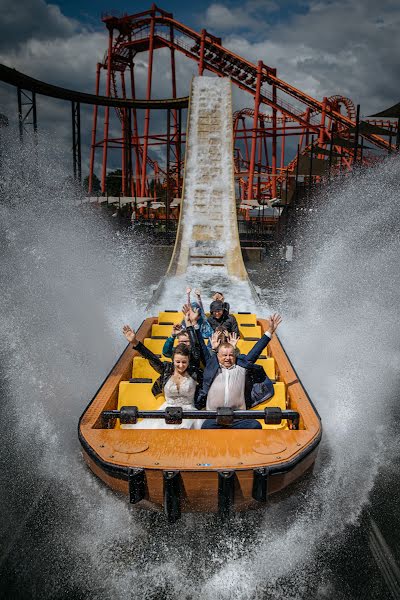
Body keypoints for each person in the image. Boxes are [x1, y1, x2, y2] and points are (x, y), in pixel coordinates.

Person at [188, 307, 282, 429]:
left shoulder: (241, 366)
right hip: (214, 418)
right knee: (205, 427)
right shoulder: (211, 365)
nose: (227, 358)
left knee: (255, 426)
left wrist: (270, 331)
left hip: (238, 417)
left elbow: (256, 350)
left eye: (230, 355)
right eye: (224, 355)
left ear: (235, 355)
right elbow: (200, 346)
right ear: (217, 355)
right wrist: (194, 324)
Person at [122, 324, 202, 429]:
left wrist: (190, 325)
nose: (181, 365)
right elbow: (152, 358)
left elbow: (197, 350)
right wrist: (135, 342)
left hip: (189, 413)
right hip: (167, 411)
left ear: (188, 361)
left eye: (184, 362)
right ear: (173, 360)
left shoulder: (194, 372)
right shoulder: (167, 370)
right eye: (178, 362)